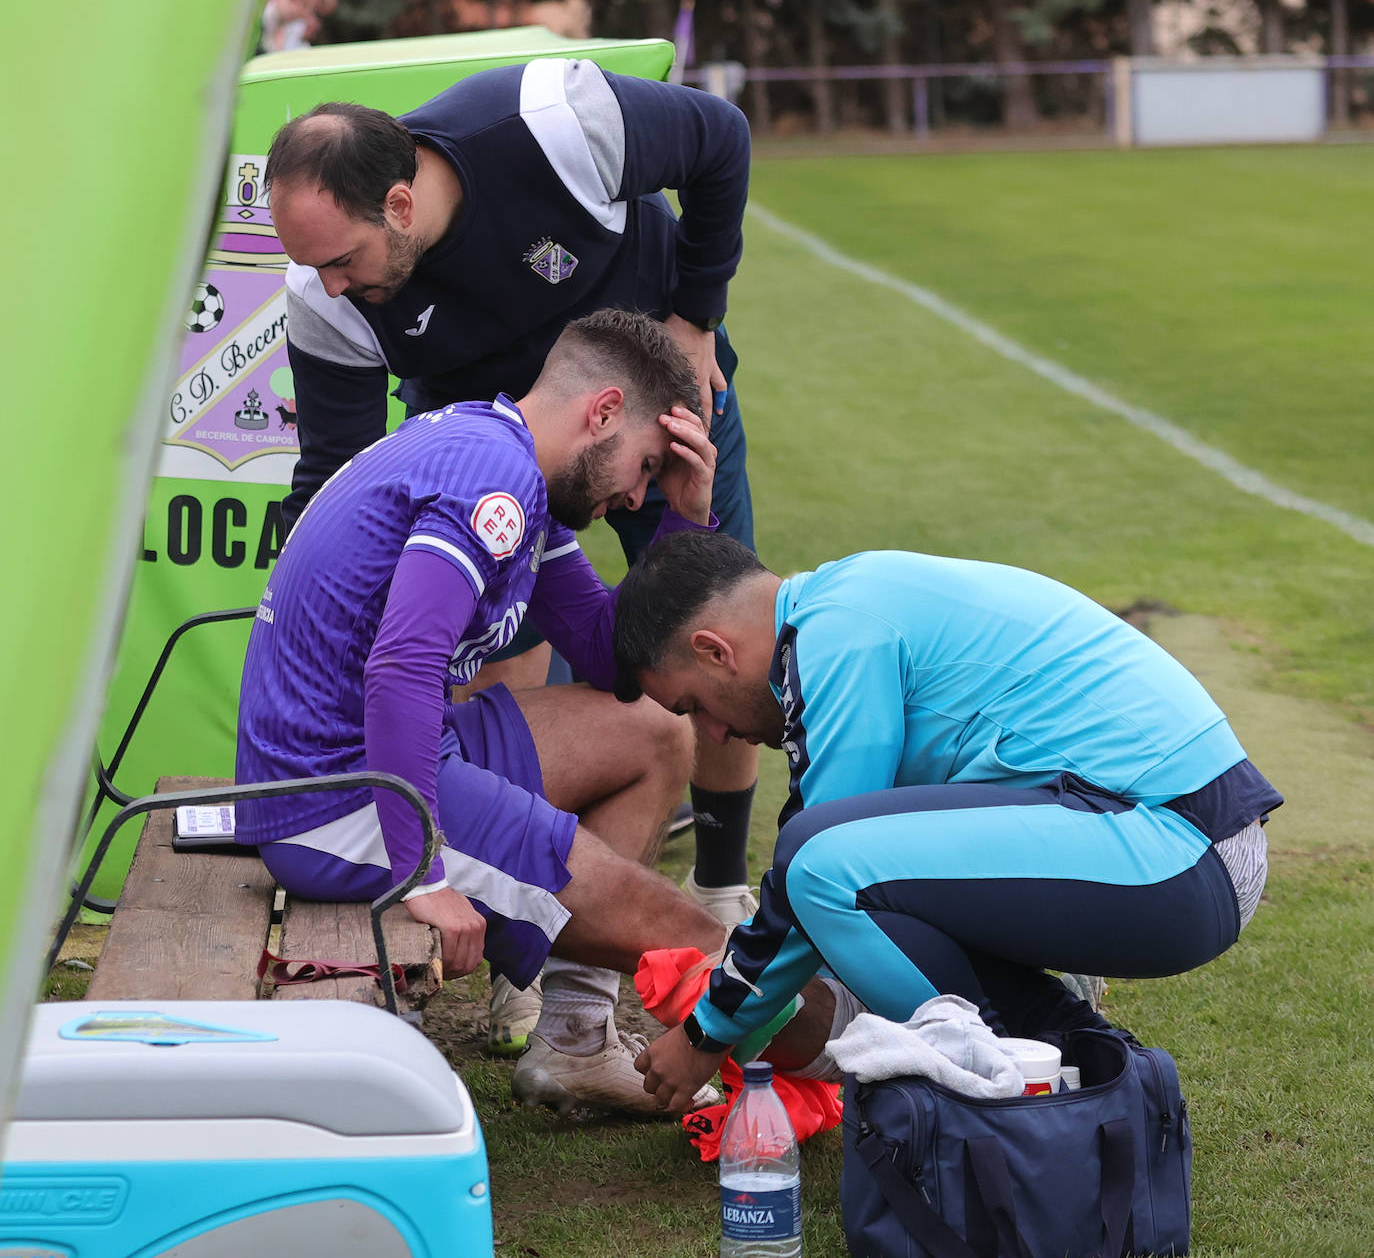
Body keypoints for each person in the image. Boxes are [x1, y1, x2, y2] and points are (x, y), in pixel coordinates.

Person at [262, 58, 762, 965]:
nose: (327, 286)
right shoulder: (483, 475)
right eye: (313, 266)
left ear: (402, 207)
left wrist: (696, 317)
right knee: (697, 948)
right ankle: (527, 944)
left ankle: (702, 898)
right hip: (520, 479)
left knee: (702, 648)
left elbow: (720, 136)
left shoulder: (553, 119)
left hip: (644, 406)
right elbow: (340, 503)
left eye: (342, 260)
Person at [235, 310, 732, 1115]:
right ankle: (848, 1059)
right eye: (644, 466)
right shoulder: (492, 481)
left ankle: (575, 1042)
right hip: (339, 798)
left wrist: (685, 516)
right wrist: (421, 868)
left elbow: (617, 661)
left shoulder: (512, 462)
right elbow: (401, 666)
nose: (637, 491)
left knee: (655, 732)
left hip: (390, 750)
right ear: (602, 412)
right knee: (693, 934)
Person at [610, 534, 1282, 1111]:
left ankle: (1006, 1102)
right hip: (1175, 837)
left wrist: (707, 1033)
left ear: (714, 649)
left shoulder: (834, 633)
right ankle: (1079, 1077)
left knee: (823, 863)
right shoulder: (844, 600)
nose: (714, 730)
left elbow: (812, 863)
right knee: (857, 871)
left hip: (1177, 847)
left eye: (694, 704)